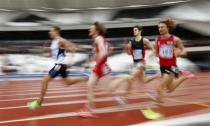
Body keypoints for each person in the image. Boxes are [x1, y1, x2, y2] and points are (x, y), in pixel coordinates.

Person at [27, 26, 87, 109]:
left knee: (44, 80)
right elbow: (56, 54)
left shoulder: (60, 40)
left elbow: (72, 47)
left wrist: (71, 60)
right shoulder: (54, 42)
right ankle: (85, 79)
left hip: (60, 65)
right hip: (60, 64)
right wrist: (47, 53)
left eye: (51, 31)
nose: (49, 32)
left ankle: (39, 102)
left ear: (56, 32)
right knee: (68, 82)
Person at [150, 19, 195, 103]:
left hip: (171, 67)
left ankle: (159, 105)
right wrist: (153, 54)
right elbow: (156, 51)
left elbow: (184, 50)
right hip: (162, 67)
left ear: (168, 28)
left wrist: (179, 53)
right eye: (159, 27)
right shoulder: (157, 39)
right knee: (170, 88)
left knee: (159, 87)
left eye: (162, 27)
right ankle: (185, 76)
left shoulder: (175, 39)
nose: (160, 29)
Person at [108, 25, 159, 97]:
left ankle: (124, 96)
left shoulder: (144, 40)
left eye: (135, 30)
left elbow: (153, 49)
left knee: (130, 76)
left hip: (141, 63)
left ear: (140, 31)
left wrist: (152, 54)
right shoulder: (131, 41)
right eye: (133, 30)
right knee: (143, 80)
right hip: (135, 63)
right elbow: (128, 52)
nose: (134, 31)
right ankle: (157, 75)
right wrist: (124, 50)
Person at [79, 22, 111, 117]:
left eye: (91, 28)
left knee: (90, 85)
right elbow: (101, 52)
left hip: (100, 66)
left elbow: (104, 53)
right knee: (93, 86)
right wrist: (93, 61)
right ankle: (88, 108)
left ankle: (88, 109)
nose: (89, 30)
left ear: (96, 30)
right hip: (101, 65)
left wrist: (97, 64)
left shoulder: (98, 38)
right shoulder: (98, 39)